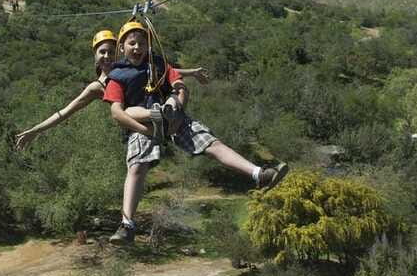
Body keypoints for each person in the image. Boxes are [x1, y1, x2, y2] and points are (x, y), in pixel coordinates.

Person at [103, 21, 289, 244]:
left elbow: (180, 87)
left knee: (212, 144)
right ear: (122, 47)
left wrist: (177, 107)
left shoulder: (161, 65)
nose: (137, 48)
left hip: (171, 118)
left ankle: (260, 174)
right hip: (141, 124)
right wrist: (145, 129)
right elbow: (117, 112)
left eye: (142, 43)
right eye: (132, 43)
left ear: (149, 47)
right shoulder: (117, 76)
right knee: (137, 166)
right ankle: (127, 225)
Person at [15, 30, 209, 150]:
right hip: (139, 125)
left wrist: (192, 72)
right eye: (102, 52)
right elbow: (65, 112)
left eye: (110, 51)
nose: (107, 56)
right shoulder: (97, 87)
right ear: (95, 56)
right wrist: (36, 130)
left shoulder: (130, 68)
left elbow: (163, 72)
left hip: (160, 114)